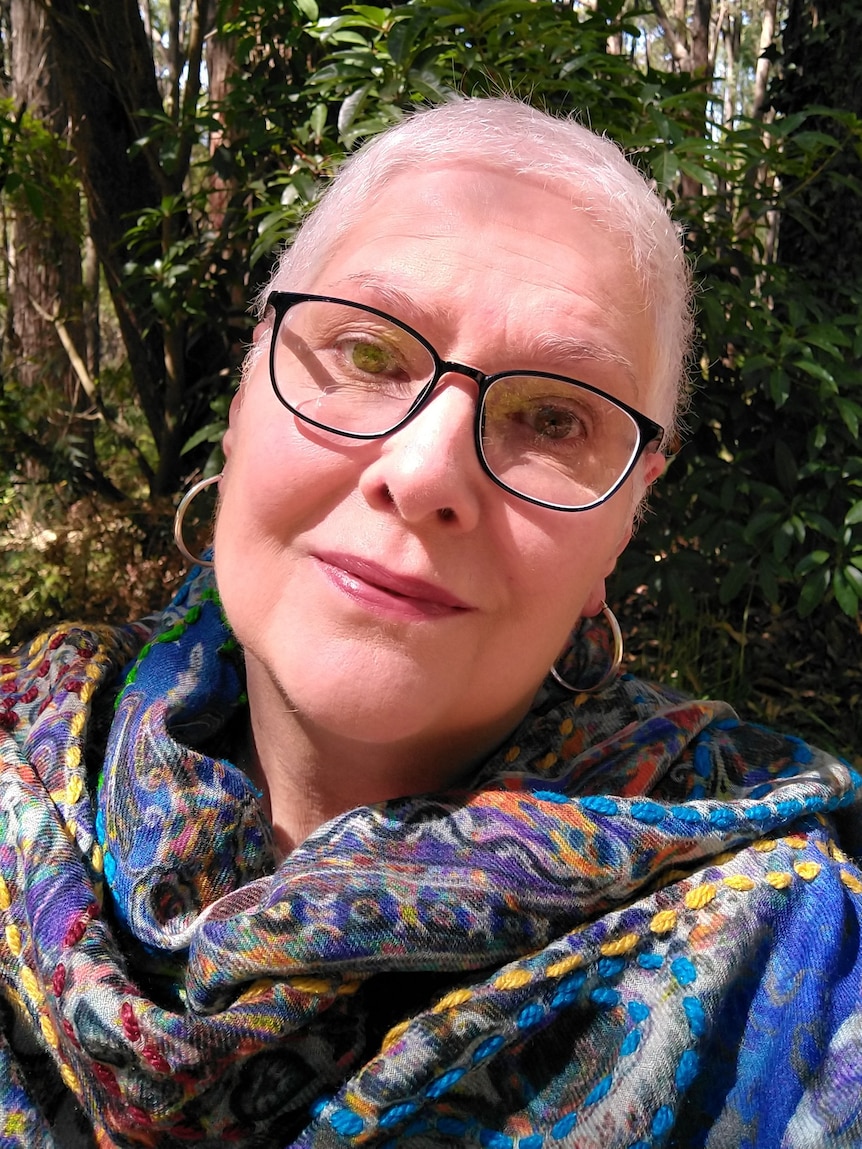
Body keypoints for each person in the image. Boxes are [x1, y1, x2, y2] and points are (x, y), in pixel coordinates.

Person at [1, 96, 860, 1149]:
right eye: (367, 354)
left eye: (554, 417)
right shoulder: (25, 761)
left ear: (627, 519)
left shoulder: (796, 961)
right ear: (239, 401)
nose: (422, 473)